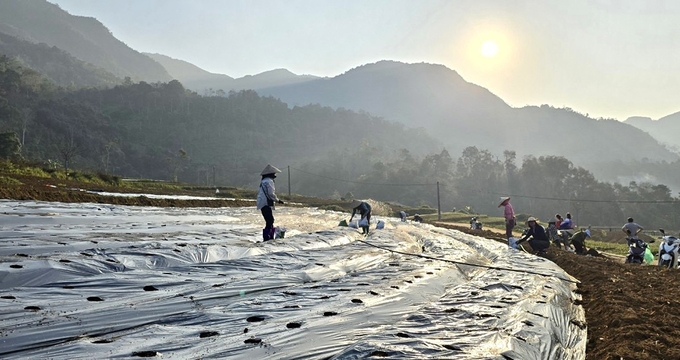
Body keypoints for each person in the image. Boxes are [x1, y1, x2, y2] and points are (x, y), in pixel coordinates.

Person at [256, 164, 284, 241]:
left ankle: (269, 237)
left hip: (262, 203)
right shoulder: (269, 181)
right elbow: (271, 193)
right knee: (270, 220)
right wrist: (277, 200)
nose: (275, 175)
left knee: (269, 220)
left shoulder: (264, 181)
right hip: (265, 203)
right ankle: (267, 238)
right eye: (274, 174)